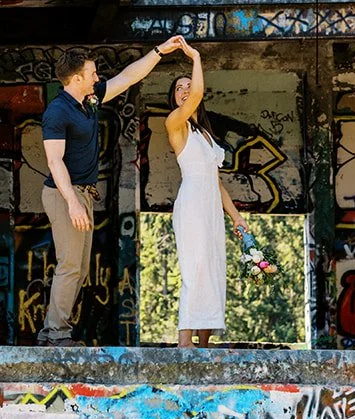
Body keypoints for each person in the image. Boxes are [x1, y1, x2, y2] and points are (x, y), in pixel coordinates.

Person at [39, 39, 184, 345]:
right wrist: (72, 203)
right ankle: (54, 335)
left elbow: (128, 76)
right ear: (76, 78)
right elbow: (54, 160)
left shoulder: (89, 100)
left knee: (77, 269)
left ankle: (56, 332)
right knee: (69, 265)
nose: (96, 78)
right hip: (64, 195)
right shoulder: (58, 111)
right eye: (91, 73)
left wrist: (158, 52)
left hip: (82, 194)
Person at [164, 37, 249, 346]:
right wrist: (196, 57)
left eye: (189, 85)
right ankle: (184, 346)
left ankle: (204, 345)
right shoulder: (175, 123)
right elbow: (197, 95)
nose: (186, 90)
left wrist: (238, 218)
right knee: (196, 268)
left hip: (211, 205)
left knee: (213, 270)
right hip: (192, 205)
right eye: (179, 88)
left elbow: (217, 182)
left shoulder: (206, 136)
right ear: (173, 99)